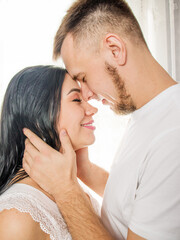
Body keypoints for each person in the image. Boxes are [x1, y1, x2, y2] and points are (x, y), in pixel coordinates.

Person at [22, 0, 180, 239]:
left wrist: (65, 191)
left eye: (83, 77)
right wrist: (84, 170)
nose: (86, 95)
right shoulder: (150, 113)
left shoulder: (173, 135)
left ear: (115, 49)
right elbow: (139, 200)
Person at [0, 65, 100, 240]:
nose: (93, 109)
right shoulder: (17, 215)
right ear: (38, 113)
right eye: (77, 100)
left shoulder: (71, 184)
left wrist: (86, 171)